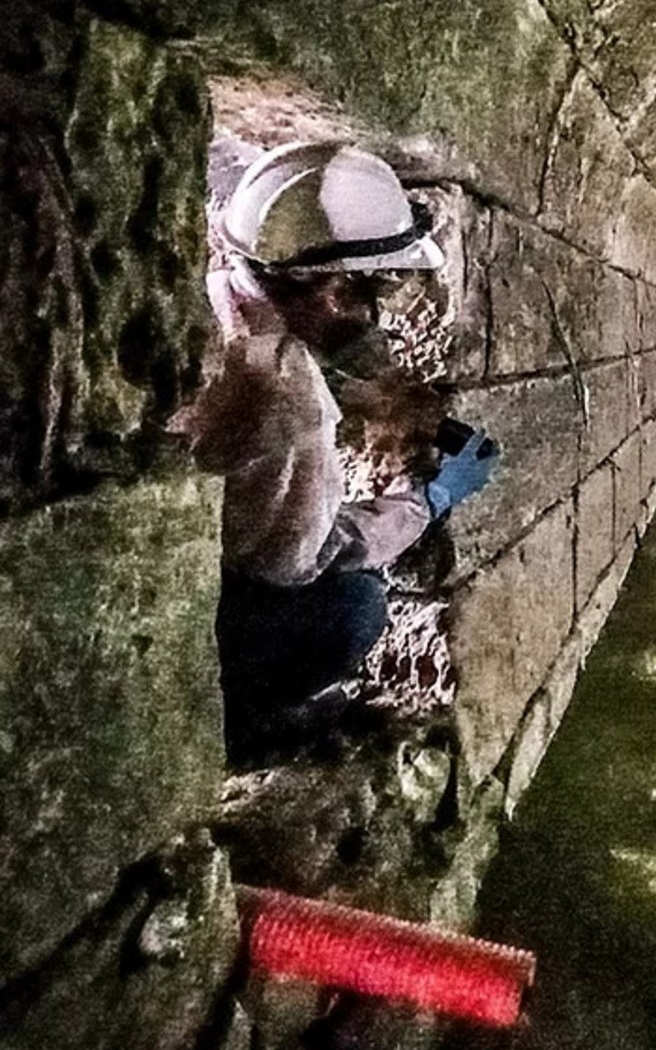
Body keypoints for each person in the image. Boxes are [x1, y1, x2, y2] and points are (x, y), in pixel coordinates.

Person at [177, 141, 497, 753]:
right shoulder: (292, 401)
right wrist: (423, 503)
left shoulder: (215, 296)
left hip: (182, 574)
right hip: (201, 619)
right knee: (354, 606)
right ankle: (240, 726)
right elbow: (301, 562)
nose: (373, 315)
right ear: (329, 289)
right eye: (368, 292)